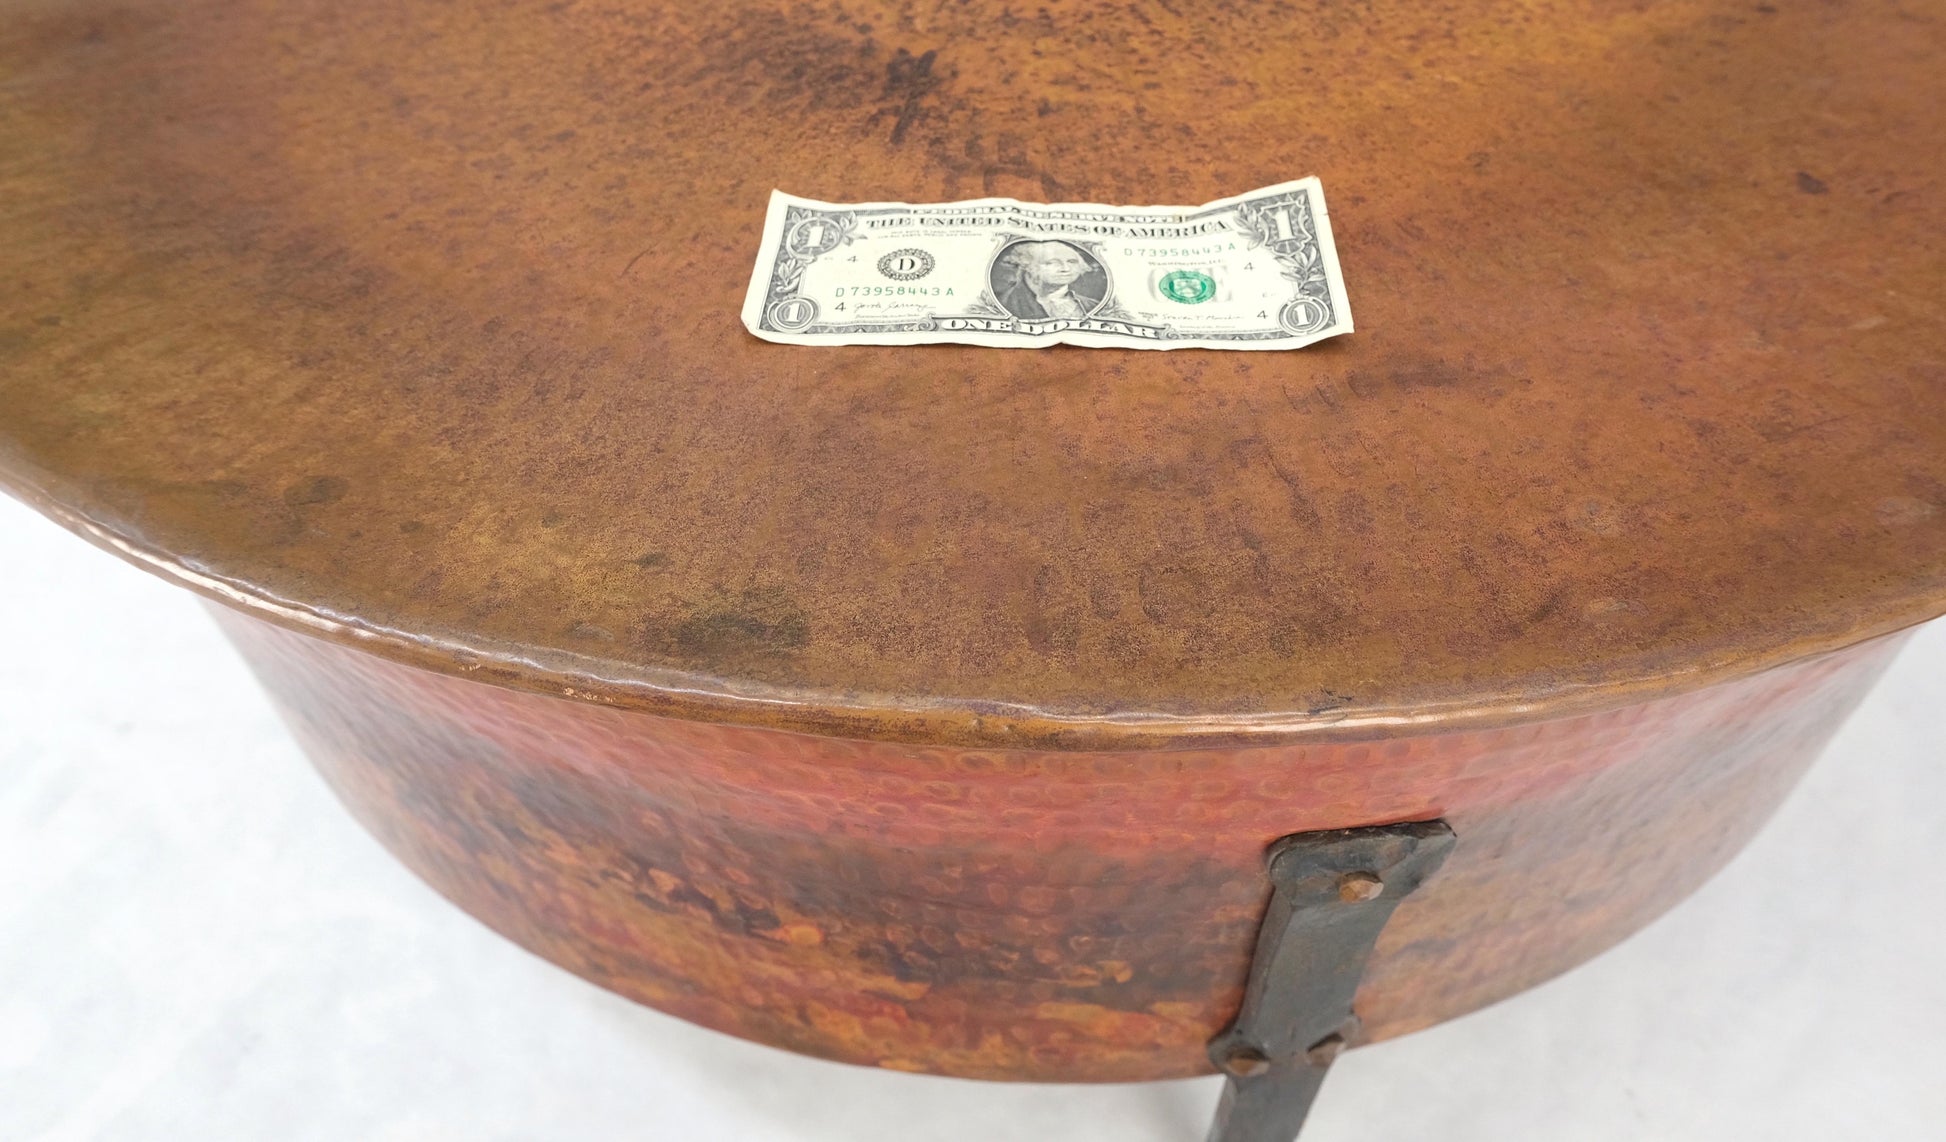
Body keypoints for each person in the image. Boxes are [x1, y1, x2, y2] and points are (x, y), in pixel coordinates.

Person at [997, 241, 1102, 320]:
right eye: (1052, 263)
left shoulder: (1093, 305)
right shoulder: (1003, 303)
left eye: (1072, 262)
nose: (1065, 269)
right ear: (1028, 266)